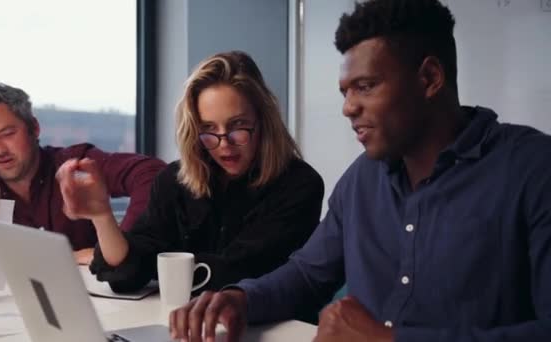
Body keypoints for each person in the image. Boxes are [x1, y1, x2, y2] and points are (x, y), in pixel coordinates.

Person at [168, 1, 551, 341]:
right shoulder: (363, 178)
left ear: (430, 78)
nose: (348, 108)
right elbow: (305, 275)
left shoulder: (532, 169)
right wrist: (240, 300)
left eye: (365, 87)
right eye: (345, 92)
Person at [56, 51, 325, 293]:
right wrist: (102, 216)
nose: (224, 144)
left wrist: (151, 262)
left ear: (263, 122)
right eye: (209, 130)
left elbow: (240, 271)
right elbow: (125, 276)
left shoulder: (300, 185)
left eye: (238, 126)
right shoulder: (174, 181)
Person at [0, 83, 167, 264]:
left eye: (7, 134)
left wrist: (123, 244)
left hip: (98, 299)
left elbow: (152, 173)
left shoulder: (74, 165)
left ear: (34, 128)